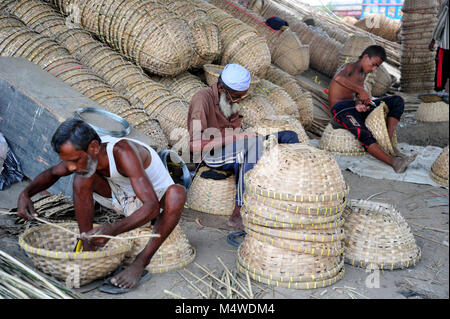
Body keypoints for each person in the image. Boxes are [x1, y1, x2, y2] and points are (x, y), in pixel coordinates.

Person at [16, 119, 186, 292]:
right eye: (68, 162)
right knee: (81, 176)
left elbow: (152, 207)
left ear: (95, 147)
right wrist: (25, 194)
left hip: (154, 199)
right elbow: (53, 173)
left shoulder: (123, 152)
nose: (71, 166)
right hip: (122, 197)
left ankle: (141, 262)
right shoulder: (84, 155)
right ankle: (88, 244)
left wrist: (112, 229)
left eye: (75, 160)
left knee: (178, 193)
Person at [188, 64, 300, 231]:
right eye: (235, 97)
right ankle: (239, 212)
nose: (238, 101)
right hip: (210, 155)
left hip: (235, 147)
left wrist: (245, 136)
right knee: (251, 144)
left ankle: (288, 195)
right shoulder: (201, 99)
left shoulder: (228, 100)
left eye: (241, 97)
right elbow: (194, 145)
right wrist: (238, 137)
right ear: (221, 88)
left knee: (289, 136)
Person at [328, 45, 417, 173]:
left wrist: (360, 104)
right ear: (365, 57)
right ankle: (395, 163)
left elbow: (356, 95)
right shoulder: (350, 66)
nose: (374, 69)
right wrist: (361, 90)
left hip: (353, 107)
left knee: (396, 101)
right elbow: (338, 79)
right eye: (373, 64)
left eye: (377, 67)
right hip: (340, 109)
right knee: (364, 134)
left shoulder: (363, 74)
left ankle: (388, 143)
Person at [429, 0, 449, 92]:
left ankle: (438, 92)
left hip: (445, 46)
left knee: (441, 72)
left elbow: (441, 23)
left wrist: (433, 39)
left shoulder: (447, 3)